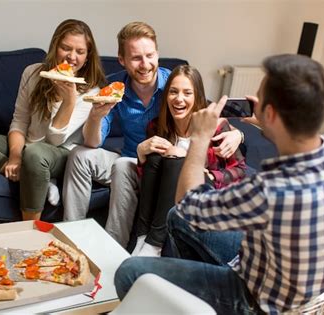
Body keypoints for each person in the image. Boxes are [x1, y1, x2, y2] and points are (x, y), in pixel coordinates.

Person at [114, 54, 324, 314]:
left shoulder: (272, 189)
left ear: (271, 112)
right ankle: (187, 303)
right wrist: (265, 122)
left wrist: (200, 138)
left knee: (130, 272)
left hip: (257, 301)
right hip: (300, 280)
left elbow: (190, 205)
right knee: (175, 218)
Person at [62, 21, 243, 248]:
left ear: (157, 54)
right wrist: (96, 116)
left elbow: (208, 112)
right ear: (122, 59)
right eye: (136, 57)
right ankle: (71, 235)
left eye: (150, 55)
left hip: (161, 167)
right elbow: (92, 142)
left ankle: (112, 246)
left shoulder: (174, 85)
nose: (145, 64)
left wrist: (238, 135)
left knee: (122, 168)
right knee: (80, 154)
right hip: (130, 159)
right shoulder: (114, 87)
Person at [0, 19, 106, 221]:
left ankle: (29, 229)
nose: (72, 57)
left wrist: (69, 100)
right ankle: (34, 177)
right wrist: (15, 157)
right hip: (29, 146)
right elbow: (19, 122)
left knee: (35, 153)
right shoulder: (33, 73)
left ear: (88, 56)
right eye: (66, 48)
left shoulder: (92, 91)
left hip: (61, 153)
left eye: (80, 51)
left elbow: (55, 141)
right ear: (55, 46)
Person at [132, 65, 247, 257]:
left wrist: (209, 173)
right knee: (155, 156)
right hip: (170, 190)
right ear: (166, 96)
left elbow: (241, 171)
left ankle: (155, 243)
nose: (179, 99)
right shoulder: (156, 126)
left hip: (205, 188)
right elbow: (149, 178)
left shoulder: (215, 126)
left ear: (197, 97)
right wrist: (141, 156)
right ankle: (142, 237)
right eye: (173, 92)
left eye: (187, 93)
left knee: (176, 158)